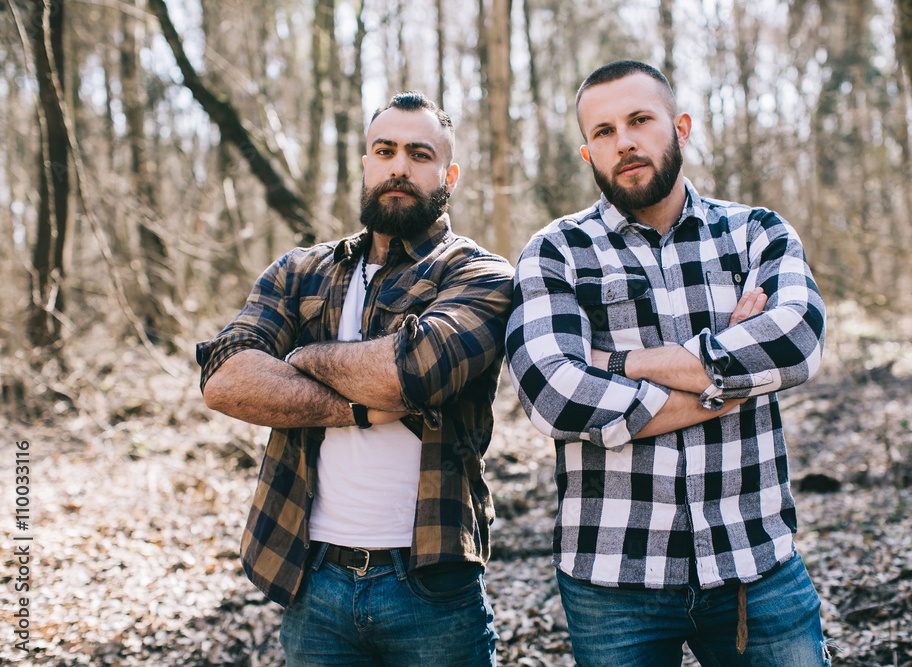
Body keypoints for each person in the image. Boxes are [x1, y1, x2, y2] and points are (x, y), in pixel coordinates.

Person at [505, 60, 831, 666]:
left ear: (679, 127)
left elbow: (799, 338)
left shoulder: (754, 233)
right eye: (602, 132)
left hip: (753, 564)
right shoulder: (557, 252)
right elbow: (554, 395)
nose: (623, 141)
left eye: (639, 120)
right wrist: (729, 377)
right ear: (587, 155)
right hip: (612, 577)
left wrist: (620, 361)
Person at [197, 91, 513, 666]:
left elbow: (410, 375)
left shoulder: (479, 274)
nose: (399, 166)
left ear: (450, 174)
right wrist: (359, 409)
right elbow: (225, 377)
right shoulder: (300, 271)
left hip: (430, 584)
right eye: (384, 150)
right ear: (365, 164)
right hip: (312, 576)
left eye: (420, 154)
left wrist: (301, 356)